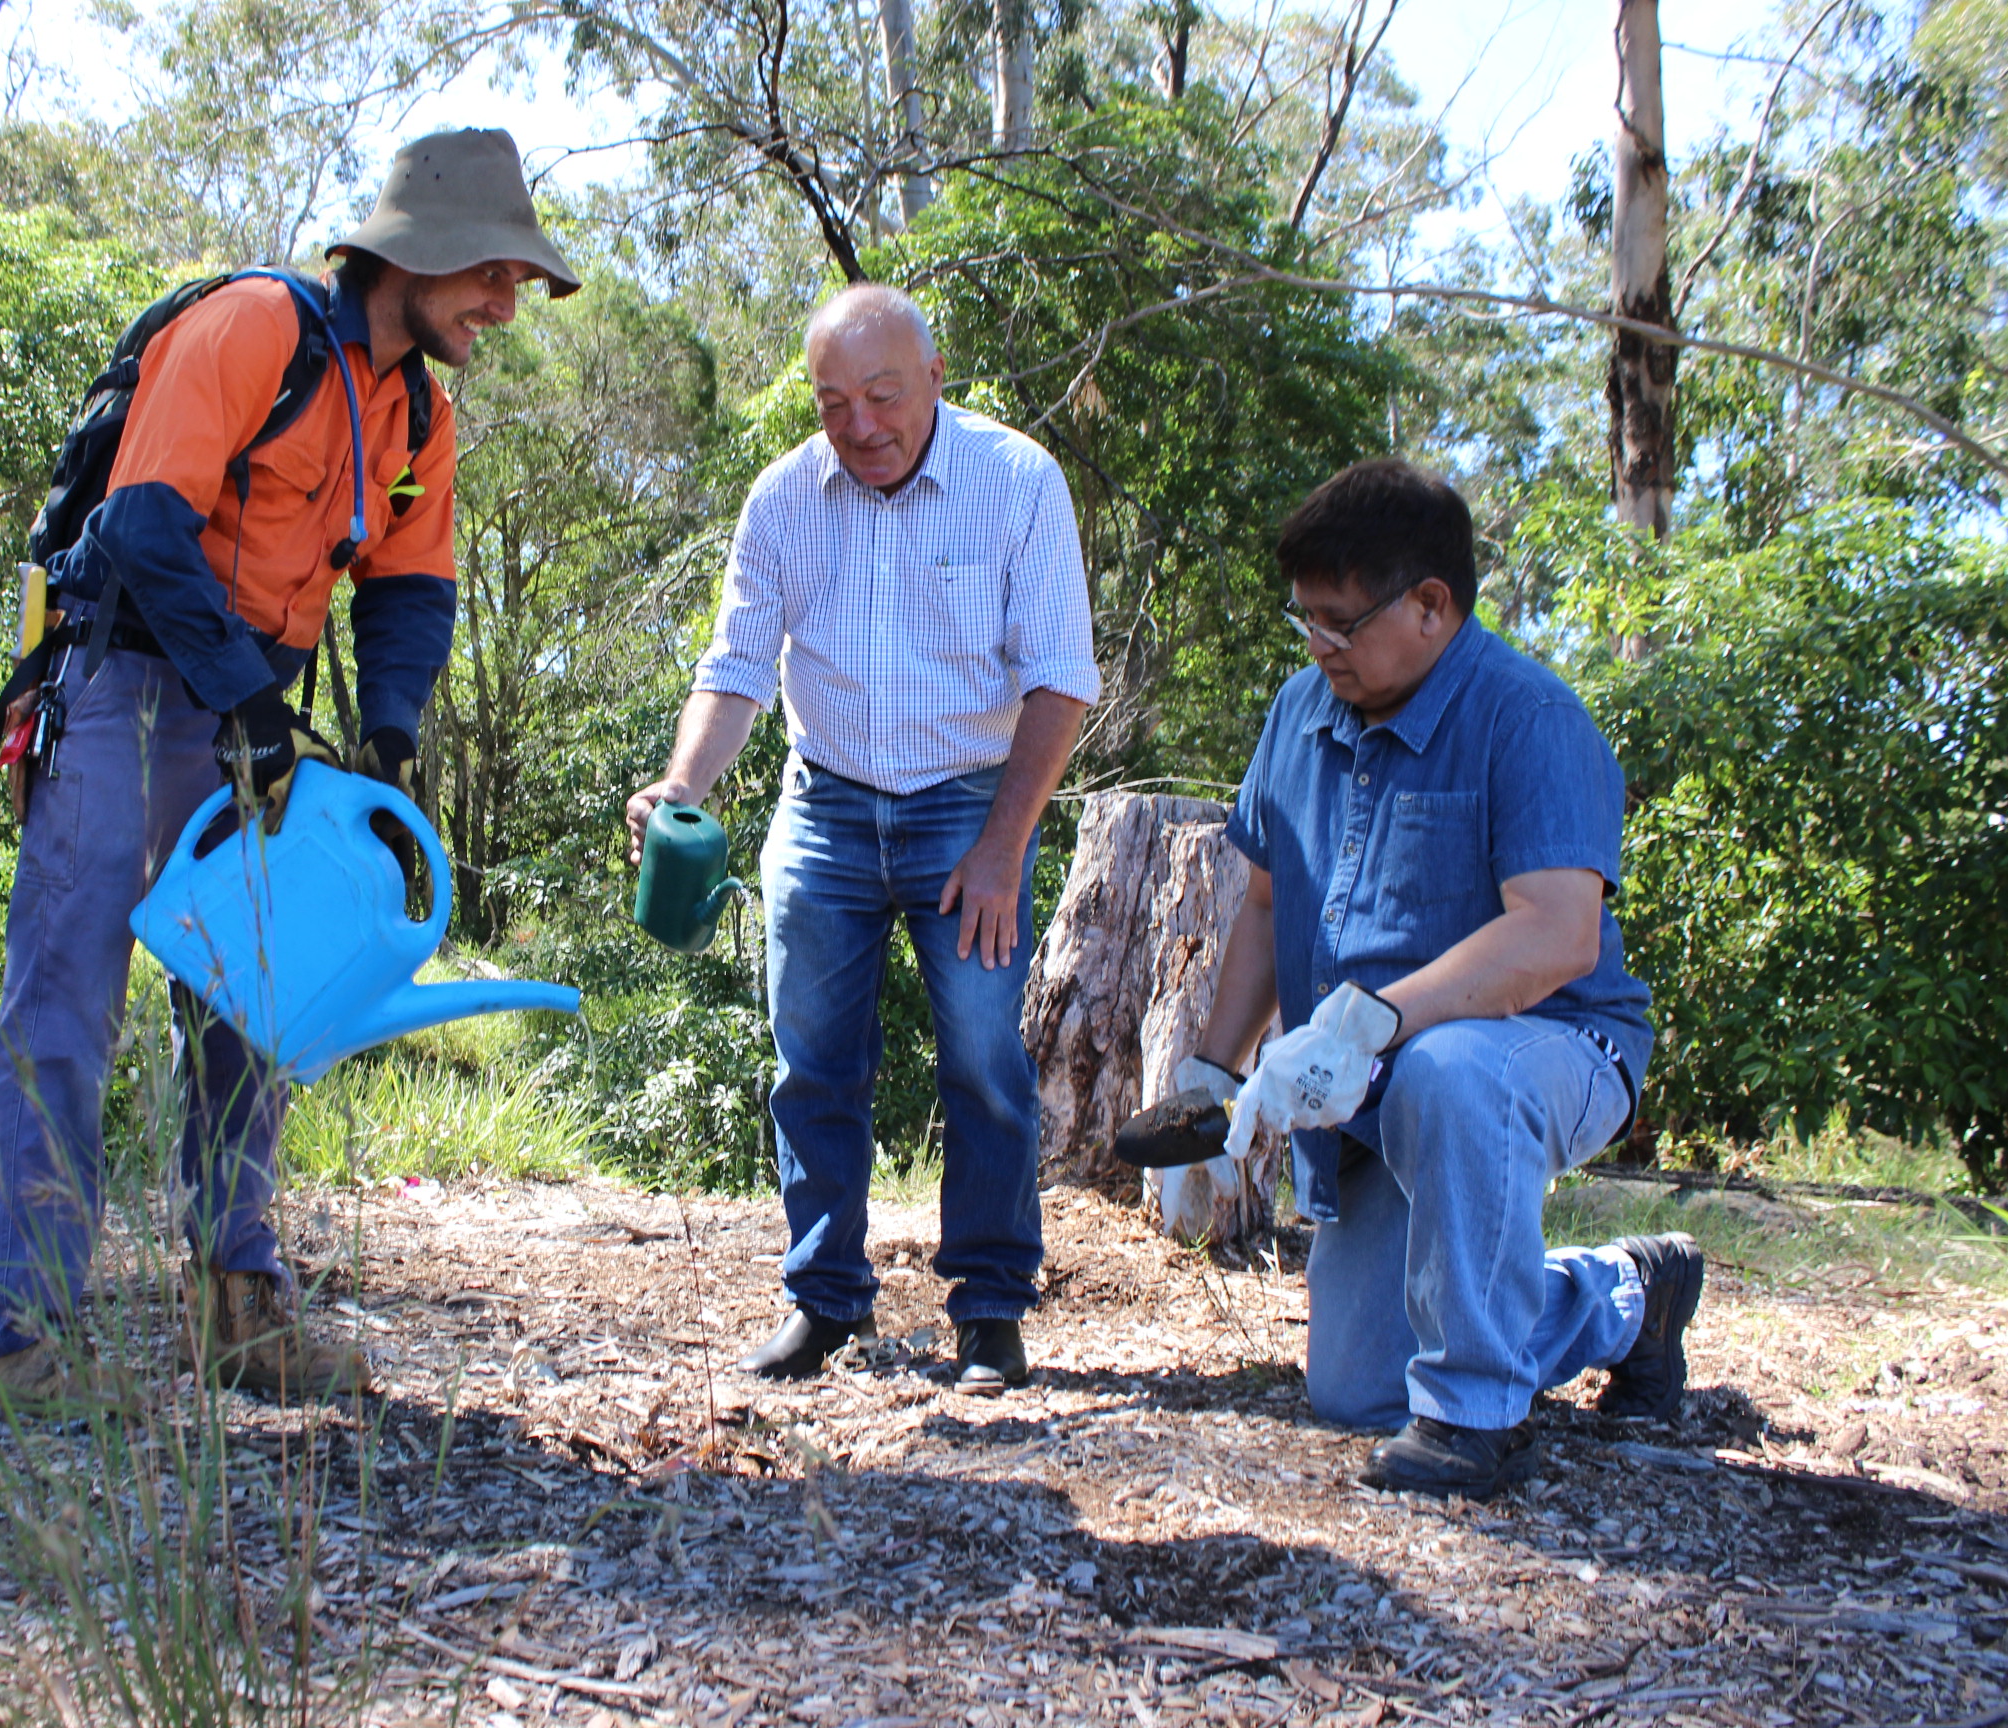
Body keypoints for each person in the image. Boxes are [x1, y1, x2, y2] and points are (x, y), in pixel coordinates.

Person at [0, 130, 579, 1410]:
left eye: (519, 281)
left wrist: (391, 734)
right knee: (67, 1003)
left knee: (255, 1008)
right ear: (420, 254)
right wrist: (241, 697)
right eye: (495, 275)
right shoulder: (253, 328)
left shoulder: (419, 413)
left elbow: (410, 588)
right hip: (130, 681)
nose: (506, 305)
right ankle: (21, 1340)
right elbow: (141, 523)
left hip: (254, 716)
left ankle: (237, 1312)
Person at [1162, 458, 1701, 1497]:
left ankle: (1473, 1417)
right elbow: (1269, 905)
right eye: (1303, 623)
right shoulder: (1297, 715)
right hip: (1369, 1097)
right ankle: (1630, 1295)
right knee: (1357, 1391)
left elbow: (1555, 939)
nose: (1319, 648)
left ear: (1430, 606)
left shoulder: (1529, 719)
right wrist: (1211, 1075)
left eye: (1339, 625)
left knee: (1448, 1071)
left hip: (1545, 1052)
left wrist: (1366, 1027)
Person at [625, 284, 1099, 1395]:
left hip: (969, 804)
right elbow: (736, 666)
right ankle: (823, 1300)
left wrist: (1000, 847)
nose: (862, 426)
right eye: (835, 403)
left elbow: (1059, 683)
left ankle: (988, 1309)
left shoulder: (1018, 482)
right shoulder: (785, 497)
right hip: (825, 798)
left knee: (984, 1062)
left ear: (935, 378)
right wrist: (681, 784)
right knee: (812, 1060)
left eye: (884, 396)